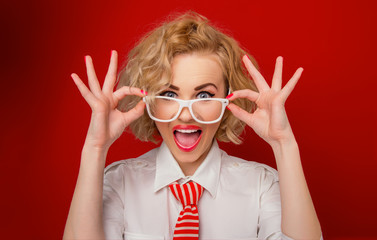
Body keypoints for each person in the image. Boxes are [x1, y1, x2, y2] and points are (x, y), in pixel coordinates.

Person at [63, 11, 322, 240]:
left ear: (228, 98)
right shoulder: (118, 182)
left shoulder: (261, 185)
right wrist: (95, 148)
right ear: (148, 100)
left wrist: (284, 143)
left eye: (204, 95)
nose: (186, 116)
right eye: (170, 94)